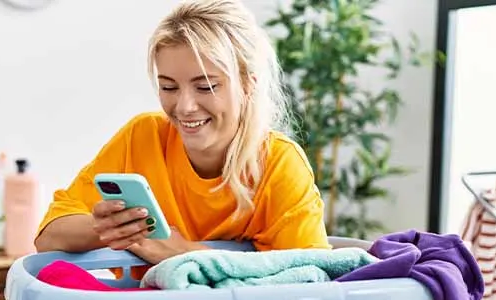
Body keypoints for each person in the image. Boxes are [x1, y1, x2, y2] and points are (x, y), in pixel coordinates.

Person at [34, 0, 330, 264]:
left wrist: (184, 255)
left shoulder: (279, 164)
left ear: (248, 85)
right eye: (169, 87)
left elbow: (310, 281)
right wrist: (106, 229)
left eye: (206, 87)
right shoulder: (142, 137)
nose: (185, 106)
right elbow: (48, 238)